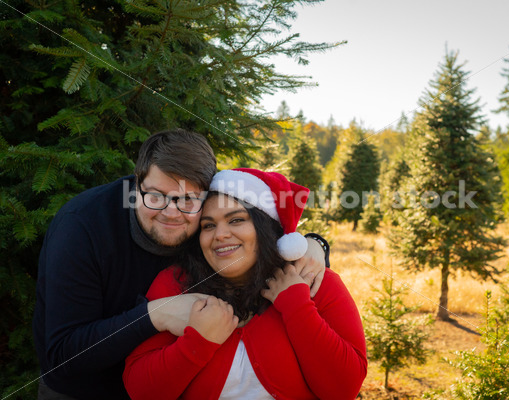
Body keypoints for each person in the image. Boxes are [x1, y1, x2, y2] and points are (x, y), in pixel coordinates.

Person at [33, 130, 329, 400]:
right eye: (156, 196)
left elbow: (259, 238)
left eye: (187, 200)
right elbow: (63, 355)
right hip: (82, 391)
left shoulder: (206, 227)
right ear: (136, 183)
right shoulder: (82, 226)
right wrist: (153, 315)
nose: (170, 212)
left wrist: (315, 244)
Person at [123, 168, 367, 400]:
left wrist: (297, 307)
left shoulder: (313, 280)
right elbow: (140, 391)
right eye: (208, 225)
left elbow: (343, 390)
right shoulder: (176, 284)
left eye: (236, 220)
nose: (220, 235)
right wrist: (198, 342)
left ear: (264, 227)